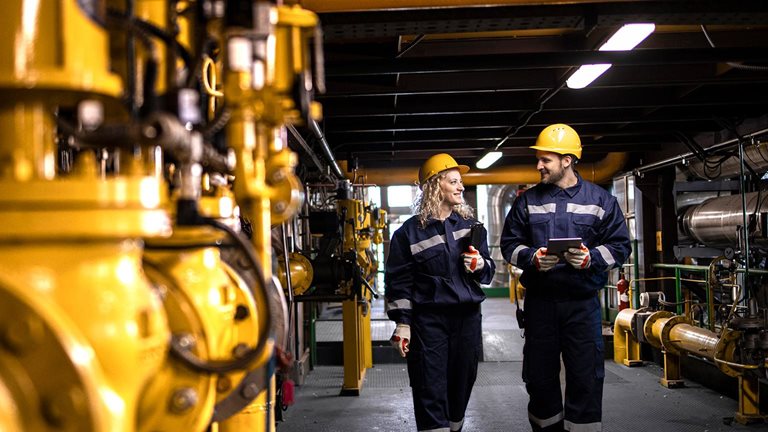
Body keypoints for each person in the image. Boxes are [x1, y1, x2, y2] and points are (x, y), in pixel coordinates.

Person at [500, 124, 631, 432]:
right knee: (540, 378)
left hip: (582, 306)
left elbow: (620, 246)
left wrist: (591, 259)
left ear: (568, 160)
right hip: (541, 305)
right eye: (539, 159)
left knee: (585, 378)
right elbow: (509, 244)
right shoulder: (527, 201)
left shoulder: (601, 201)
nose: (538, 165)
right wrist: (532, 258)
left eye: (545, 159)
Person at [385, 153, 496, 432]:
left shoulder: (471, 227)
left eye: (461, 182)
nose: (461, 187)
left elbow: (488, 270)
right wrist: (403, 323)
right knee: (429, 385)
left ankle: (454, 427)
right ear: (435, 186)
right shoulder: (408, 234)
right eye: (454, 181)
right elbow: (399, 283)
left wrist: (481, 264)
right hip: (429, 323)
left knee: (462, 383)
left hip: (467, 320)